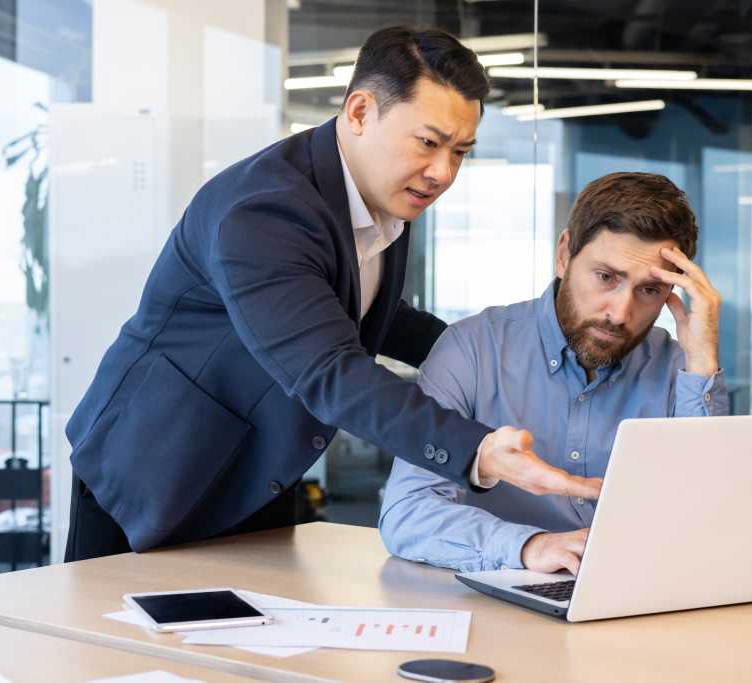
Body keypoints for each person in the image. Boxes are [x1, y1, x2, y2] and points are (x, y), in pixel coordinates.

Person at [64, 26, 600, 561]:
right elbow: (330, 369)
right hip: (152, 471)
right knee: (118, 642)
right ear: (361, 112)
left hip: (258, 471)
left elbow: (370, 315)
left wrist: (493, 356)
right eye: (429, 143)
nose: (442, 173)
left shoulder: (384, 191)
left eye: (460, 151)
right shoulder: (264, 211)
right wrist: (476, 450)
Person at [379, 172, 728, 575]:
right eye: (606, 277)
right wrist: (528, 546)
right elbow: (408, 512)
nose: (620, 312)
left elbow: (706, 520)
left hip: (634, 601)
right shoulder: (472, 350)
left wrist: (702, 362)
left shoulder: (680, 370)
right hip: (500, 603)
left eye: (649, 290)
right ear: (564, 254)